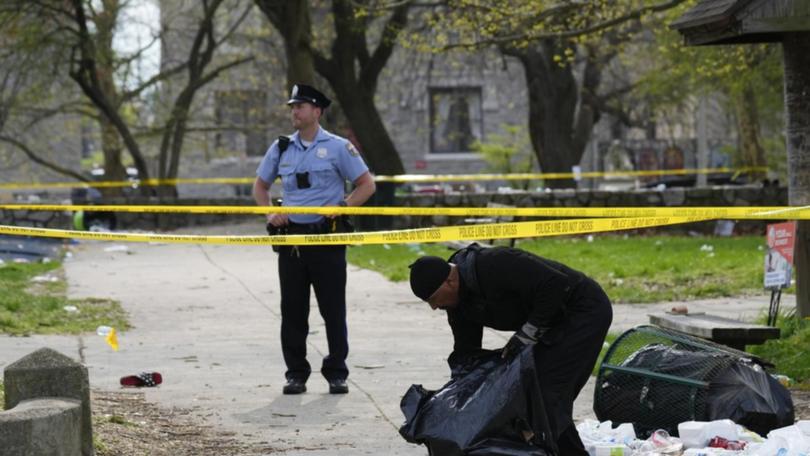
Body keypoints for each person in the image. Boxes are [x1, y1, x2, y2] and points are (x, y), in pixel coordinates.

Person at [408, 243, 612, 455]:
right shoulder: (458, 304)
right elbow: (466, 351)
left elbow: (556, 284)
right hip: (550, 323)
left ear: (449, 281)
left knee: (545, 397)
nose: (433, 307)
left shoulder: (494, 263)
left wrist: (526, 334)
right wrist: (457, 398)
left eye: (432, 299)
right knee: (530, 396)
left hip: (584, 311)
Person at [253, 84, 376, 395]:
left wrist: (344, 207)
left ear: (317, 111)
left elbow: (366, 184)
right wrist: (270, 213)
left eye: (301, 106)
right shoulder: (281, 148)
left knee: (333, 309)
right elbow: (260, 186)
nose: (295, 111)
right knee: (293, 310)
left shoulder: (338, 147)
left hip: (326, 239)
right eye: (293, 106)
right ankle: (296, 373)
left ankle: (337, 372)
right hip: (293, 241)